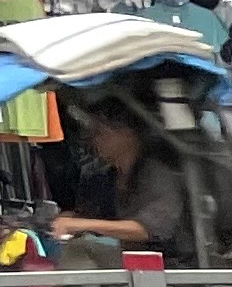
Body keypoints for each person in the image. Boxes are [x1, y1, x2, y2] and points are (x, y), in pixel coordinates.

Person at [50, 105, 193, 267]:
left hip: (168, 264)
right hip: (127, 259)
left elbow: (147, 230)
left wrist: (81, 224)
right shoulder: (105, 178)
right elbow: (91, 214)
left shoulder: (157, 175)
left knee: (80, 249)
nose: (95, 140)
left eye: (101, 133)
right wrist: (70, 218)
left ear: (127, 134)